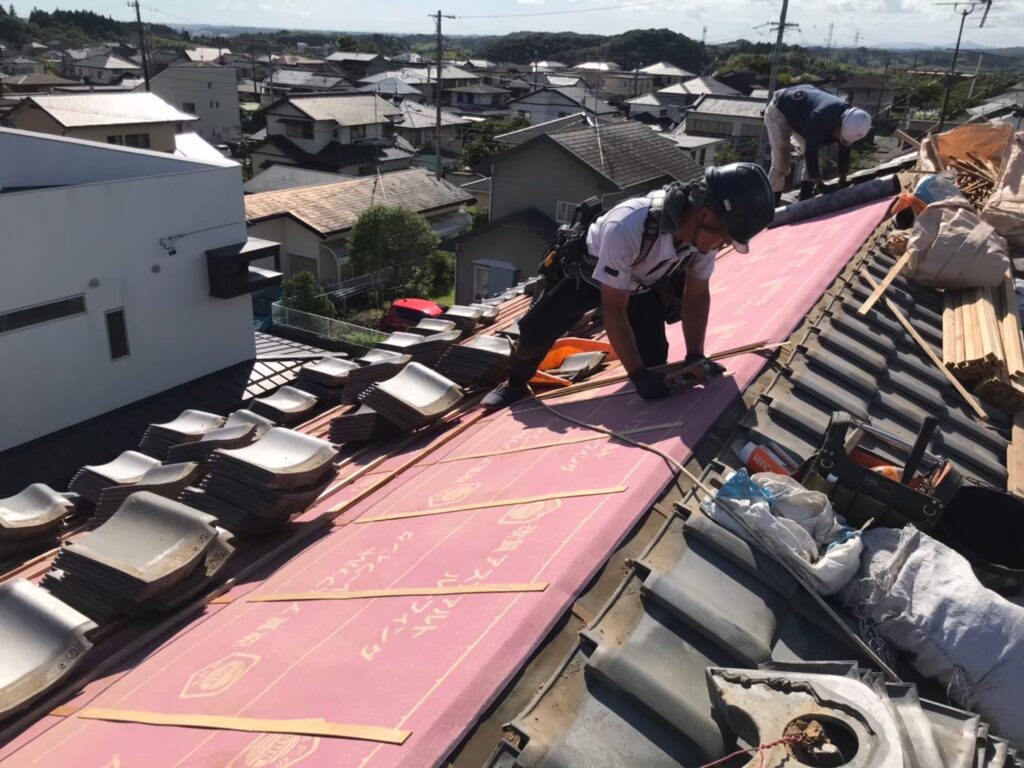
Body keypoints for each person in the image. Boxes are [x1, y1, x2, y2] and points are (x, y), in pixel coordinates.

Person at [482, 162, 775, 409]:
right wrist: (636, 375)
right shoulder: (631, 225)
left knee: (655, 359)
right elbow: (613, 310)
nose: (722, 245)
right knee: (535, 335)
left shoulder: (701, 241)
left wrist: (695, 356)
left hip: (641, 284)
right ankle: (515, 382)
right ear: (706, 214)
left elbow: (696, 296)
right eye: (725, 237)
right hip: (587, 278)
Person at [764, 84, 872, 203]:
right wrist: (821, 186)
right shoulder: (820, 117)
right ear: (839, 125)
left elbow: (844, 151)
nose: (840, 141)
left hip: (802, 115)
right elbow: (811, 153)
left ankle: (804, 201)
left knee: (819, 156)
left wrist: (842, 180)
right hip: (780, 109)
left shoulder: (852, 120)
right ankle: (771, 206)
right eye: (841, 137)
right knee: (781, 165)